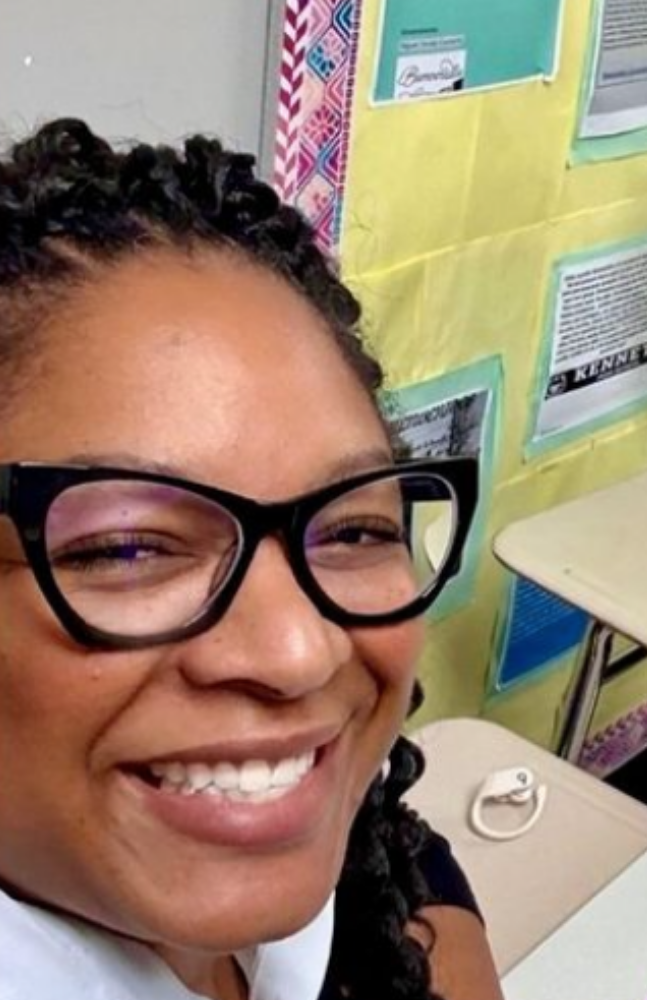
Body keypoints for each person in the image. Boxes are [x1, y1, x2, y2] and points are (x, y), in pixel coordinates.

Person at [0, 119, 502, 1000]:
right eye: (126, 547)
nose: (298, 652)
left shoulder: (317, 844)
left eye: (353, 530)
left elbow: (400, 844)